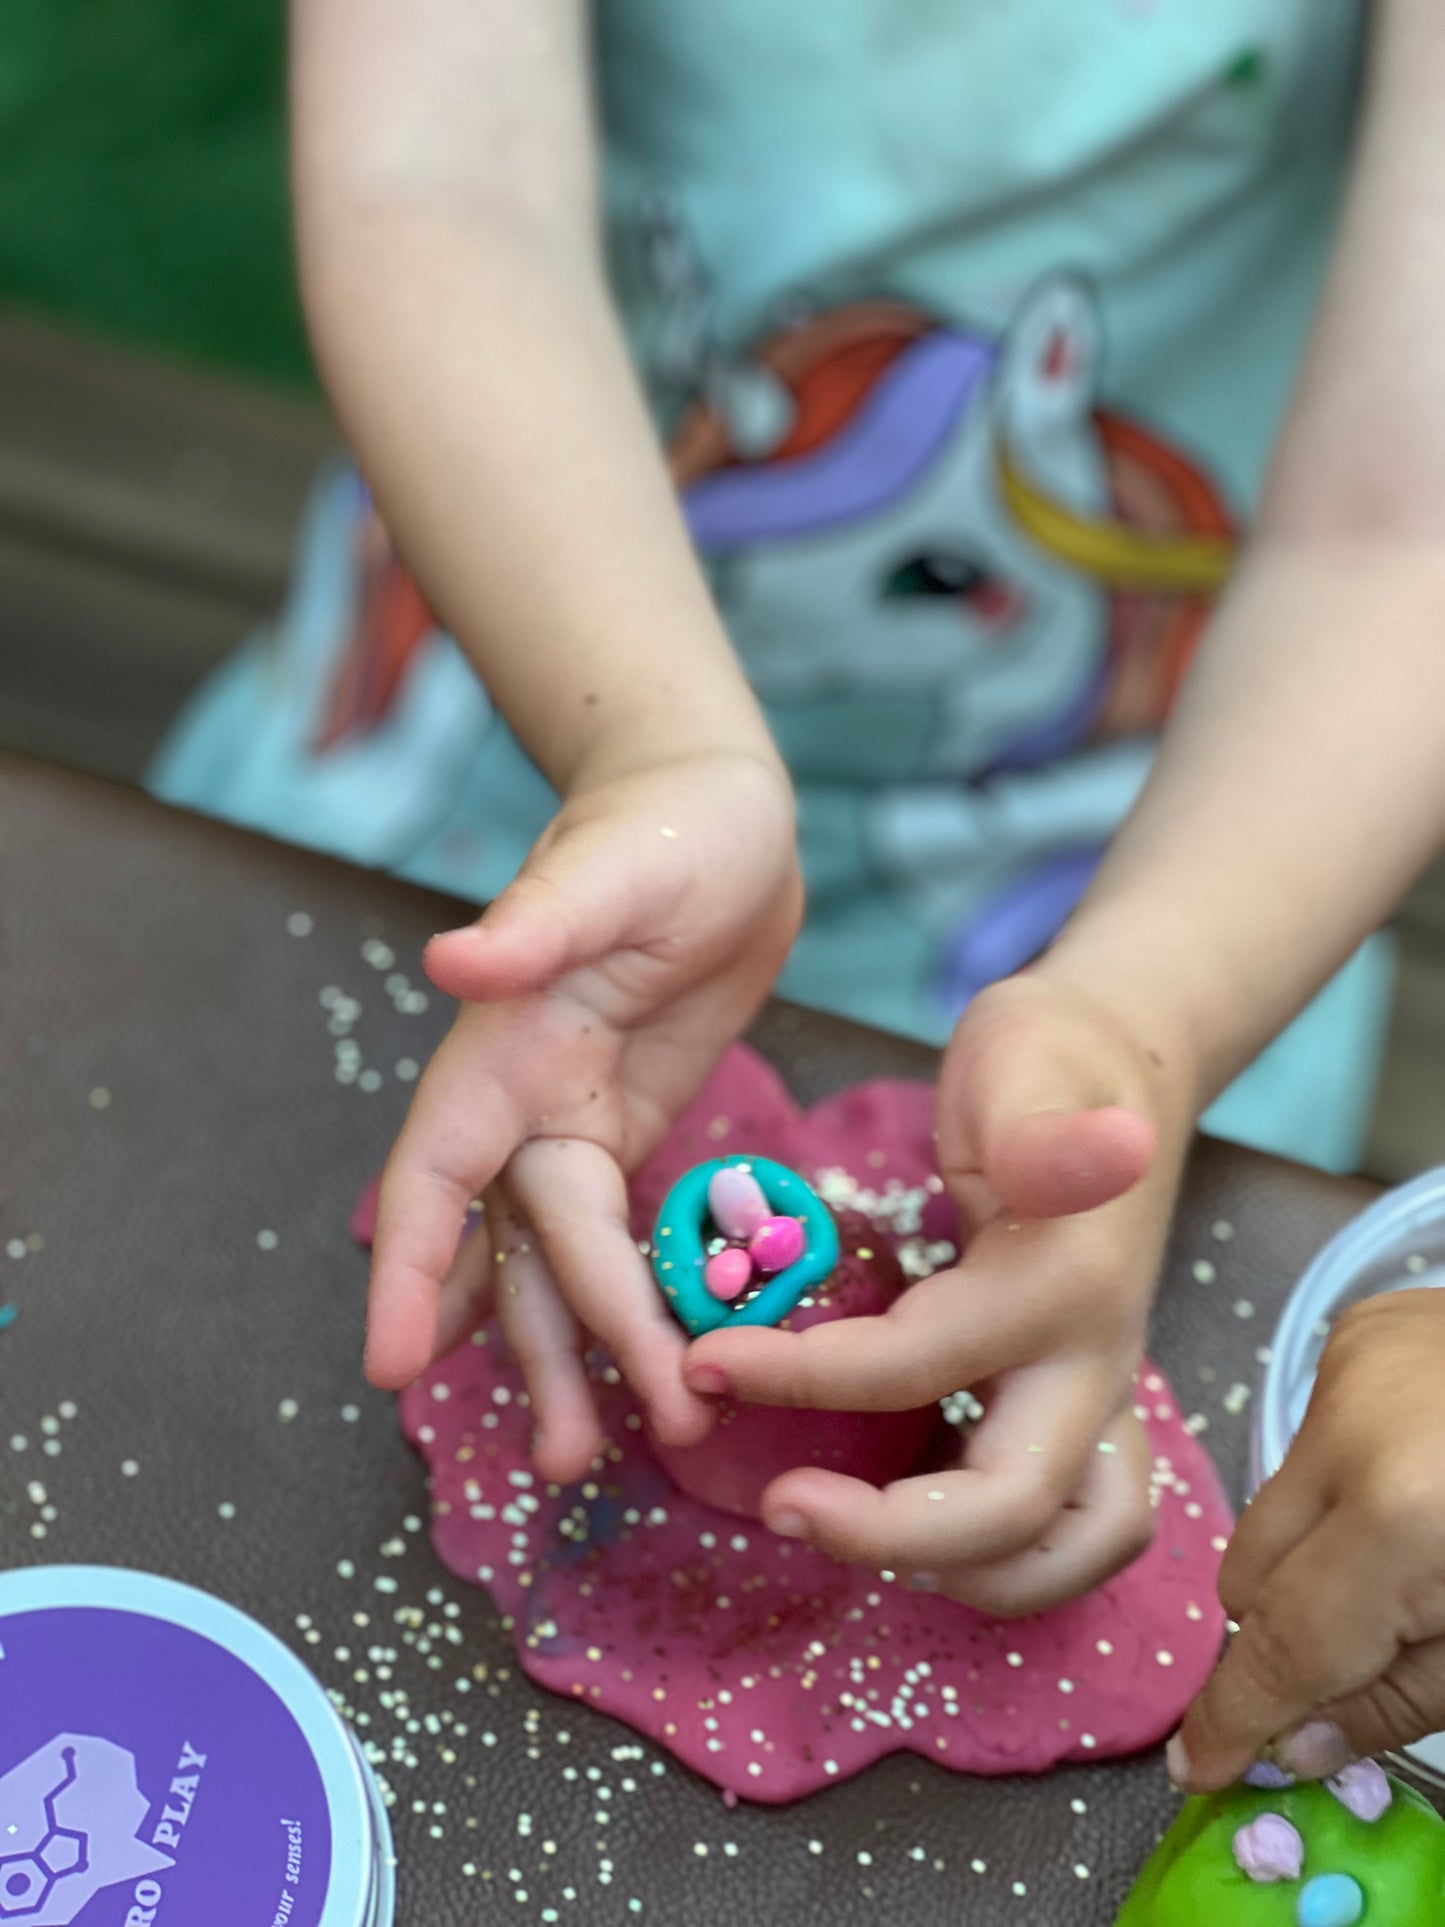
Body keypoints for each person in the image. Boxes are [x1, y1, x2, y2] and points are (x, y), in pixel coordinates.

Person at [152, 0, 1445, 1781]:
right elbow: (435, 181)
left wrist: (1142, 1016)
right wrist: (660, 755)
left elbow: (1403, 522)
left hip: (1166, 878)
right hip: (525, 733)